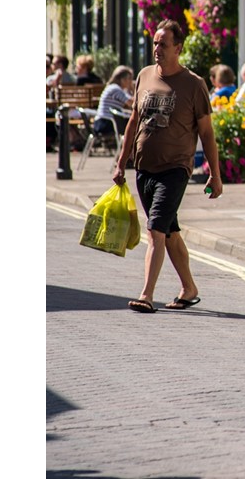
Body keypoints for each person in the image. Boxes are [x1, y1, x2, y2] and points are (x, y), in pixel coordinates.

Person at [113, 20, 222, 313]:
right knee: (170, 232)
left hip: (175, 169)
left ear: (178, 48)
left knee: (156, 230)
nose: (157, 49)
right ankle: (189, 288)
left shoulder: (194, 85)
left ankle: (147, 294)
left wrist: (215, 173)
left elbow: (207, 133)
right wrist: (121, 162)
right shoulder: (144, 76)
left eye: (163, 44)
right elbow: (134, 121)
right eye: (155, 43)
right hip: (144, 168)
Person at [93, 65, 135, 139]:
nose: (131, 81)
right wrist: (133, 89)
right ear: (122, 79)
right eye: (129, 79)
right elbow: (132, 103)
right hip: (105, 123)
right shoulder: (115, 89)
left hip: (103, 122)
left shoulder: (113, 88)